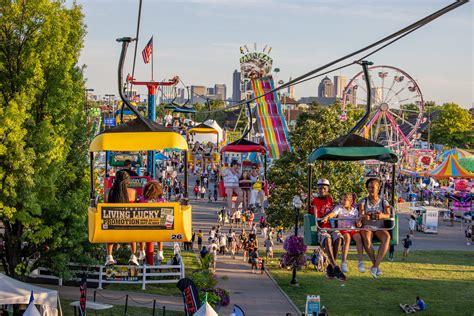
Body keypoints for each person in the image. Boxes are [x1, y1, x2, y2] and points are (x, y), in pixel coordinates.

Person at [310, 179, 345, 281]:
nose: (322, 190)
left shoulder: (330, 198)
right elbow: (315, 217)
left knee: (338, 238)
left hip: (330, 226)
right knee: (328, 239)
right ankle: (335, 266)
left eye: (324, 188)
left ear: (328, 189)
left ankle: (330, 267)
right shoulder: (315, 201)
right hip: (321, 228)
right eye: (320, 188)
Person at [321, 192, 365, 273]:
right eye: (342, 200)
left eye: (345, 200)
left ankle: (360, 262)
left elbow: (357, 222)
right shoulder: (339, 208)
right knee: (347, 238)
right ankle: (344, 262)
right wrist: (327, 217)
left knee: (359, 239)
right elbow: (333, 214)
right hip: (343, 229)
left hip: (352, 229)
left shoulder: (355, 211)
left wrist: (359, 223)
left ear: (351, 202)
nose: (342, 201)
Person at [359, 178, 391, 278]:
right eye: (369, 188)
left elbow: (388, 214)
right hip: (367, 226)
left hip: (379, 226)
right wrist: (366, 215)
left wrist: (380, 216)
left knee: (386, 238)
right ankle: (375, 266)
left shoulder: (384, 202)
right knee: (367, 240)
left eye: (373, 187)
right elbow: (361, 213)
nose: (371, 190)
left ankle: (375, 266)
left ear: (378, 188)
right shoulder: (363, 201)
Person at [105, 170, 136, 266]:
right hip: (127, 225)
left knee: (109, 231)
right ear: (127, 181)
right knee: (134, 233)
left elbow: (105, 204)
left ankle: (109, 256)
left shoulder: (108, 192)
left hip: (113, 224)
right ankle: (133, 255)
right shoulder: (132, 192)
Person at [137, 180, 167, 263]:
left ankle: (142, 250)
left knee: (141, 233)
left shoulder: (142, 200)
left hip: (145, 226)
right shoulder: (162, 201)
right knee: (161, 231)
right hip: (158, 227)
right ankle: (160, 251)